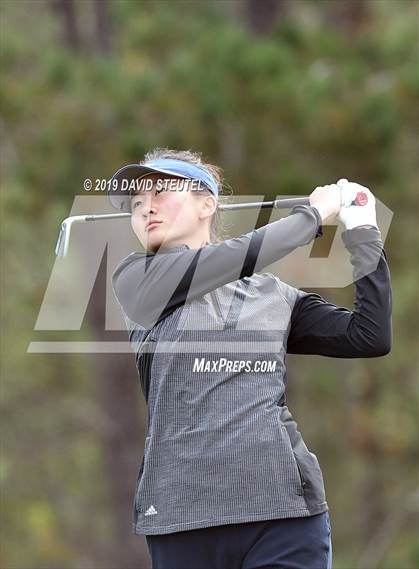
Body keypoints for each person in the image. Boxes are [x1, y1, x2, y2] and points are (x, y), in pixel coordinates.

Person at [109, 148, 392, 569]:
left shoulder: (272, 295)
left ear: (208, 203)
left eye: (161, 191)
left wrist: (362, 230)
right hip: (182, 518)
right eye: (135, 203)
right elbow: (238, 256)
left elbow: (368, 335)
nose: (145, 206)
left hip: (284, 514)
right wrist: (311, 217)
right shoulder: (138, 279)